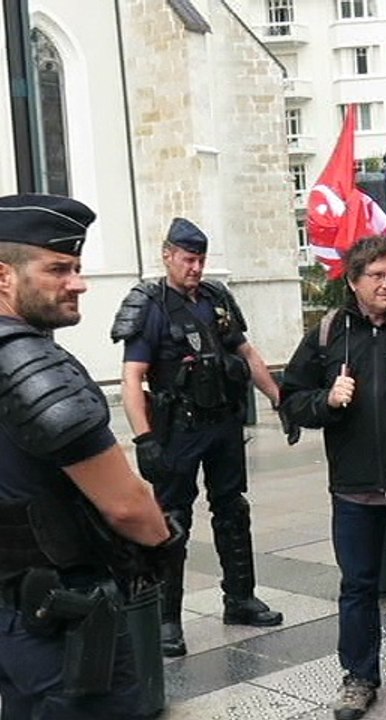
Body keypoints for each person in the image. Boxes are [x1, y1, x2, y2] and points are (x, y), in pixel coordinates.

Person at [0, 193, 178, 718]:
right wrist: (163, 540)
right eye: (58, 268)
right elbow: (126, 506)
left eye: (77, 267)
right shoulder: (33, 365)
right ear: (3, 276)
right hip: (64, 624)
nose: (78, 283)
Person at [280, 237, 386, 719]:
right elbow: (290, 400)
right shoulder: (329, 334)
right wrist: (325, 402)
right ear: (354, 282)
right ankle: (359, 677)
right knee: (358, 586)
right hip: (354, 489)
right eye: (376, 275)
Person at [110, 217, 283, 658]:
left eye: (201, 259)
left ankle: (240, 598)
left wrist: (280, 400)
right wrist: (144, 438)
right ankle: (168, 619)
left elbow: (246, 352)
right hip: (178, 429)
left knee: (232, 511)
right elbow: (132, 378)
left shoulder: (216, 299)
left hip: (223, 425)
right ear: (167, 255)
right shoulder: (150, 304)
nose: (196, 267)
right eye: (189, 259)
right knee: (173, 522)